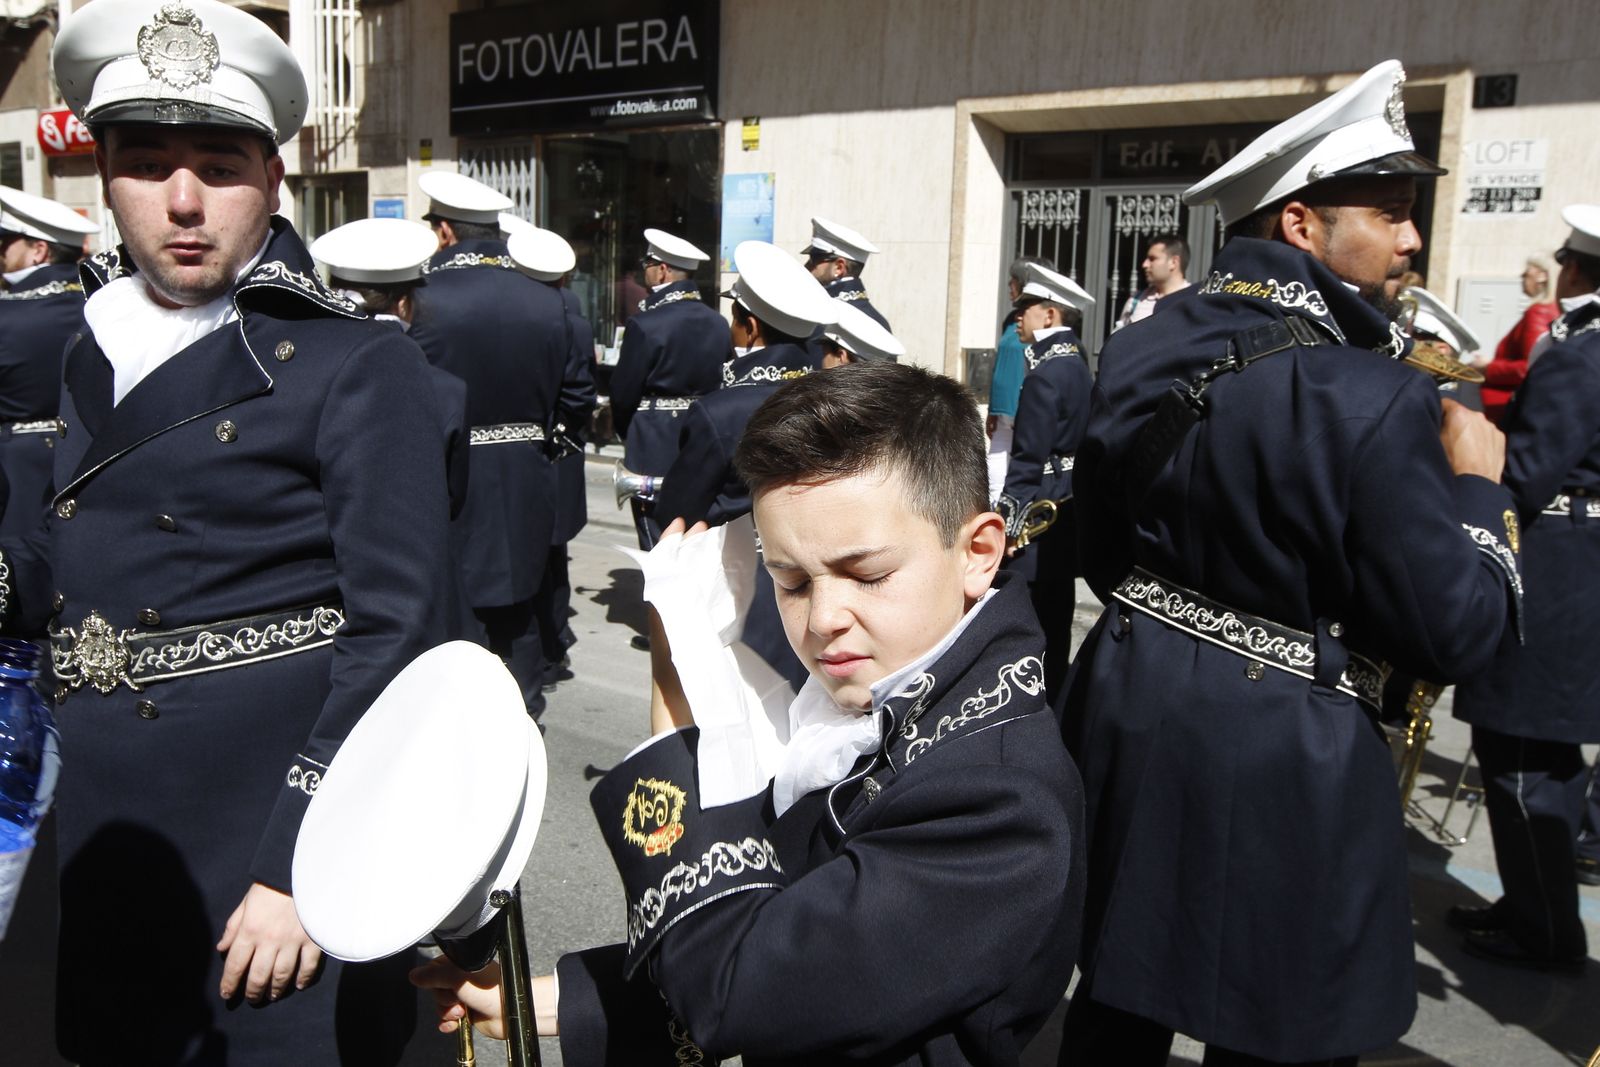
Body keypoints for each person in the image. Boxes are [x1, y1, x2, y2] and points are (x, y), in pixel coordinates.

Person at [413, 360, 1085, 1066]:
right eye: (790, 581)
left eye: (868, 575)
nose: (823, 619)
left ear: (978, 551)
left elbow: (738, 990)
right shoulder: (894, 690)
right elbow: (791, 931)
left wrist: (678, 717)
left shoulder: (998, 797)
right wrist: (553, 1001)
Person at [14, 1, 455, 1061]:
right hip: (108, 834)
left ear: (273, 178)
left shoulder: (354, 362)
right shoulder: (88, 343)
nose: (182, 201)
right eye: (145, 163)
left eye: (219, 167)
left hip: (259, 854)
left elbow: (401, 634)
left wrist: (302, 863)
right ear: (101, 174)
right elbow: (70, 562)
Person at [1060, 60, 1521, 1067]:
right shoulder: (1373, 392)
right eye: (1391, 214)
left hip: (1130, 701)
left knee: (1119, 990)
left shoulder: (1142, 343)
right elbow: (1454, 630)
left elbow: (1099, 553)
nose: (1410, 240)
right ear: (1301, 224)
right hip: (1289, 749)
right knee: (1282, 1029)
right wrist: (1480, 490)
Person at [1447, 204, 1600, 973]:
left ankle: (1545, 928)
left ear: (1574, 269)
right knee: (1537, 755)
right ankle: (1532, 905)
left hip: (1556, 564)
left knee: (1521, 757)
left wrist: (1462, 435)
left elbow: (1531, 472)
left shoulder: (1579, 351)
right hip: (1576, 561)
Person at [412, 170, 568, 718]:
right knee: (520, 603)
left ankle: (465, 718)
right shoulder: (546, 298)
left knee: (456, 606)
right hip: (528, 468)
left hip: (450, 471)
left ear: (446, 232)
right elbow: (562, 394)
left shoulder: (425, 296)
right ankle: (523, 714)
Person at [652, 240, 838, 690]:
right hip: (825, 582)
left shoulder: (721, 410)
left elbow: (677, 512)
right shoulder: (836, 398)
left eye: (735, 320)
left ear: (751, 328)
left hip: (741, 586)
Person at [505, 223, 598, 686]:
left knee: (533, 554)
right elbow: (581, 393)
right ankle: (554, 643)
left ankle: (544, 648)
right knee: (552, 554)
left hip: (540, 449)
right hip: (557, 447)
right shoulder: (571, 315)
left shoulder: (525, 316)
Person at [997, 262, 1094, 703]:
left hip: (1039, 512)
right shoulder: (1077, 365)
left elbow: (1026, 462)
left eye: (1027, 308)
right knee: (1057, 619)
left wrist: (1008, 525)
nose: (1018, 316)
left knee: (1025, 624)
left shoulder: (1044, 376)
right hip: (1067, 504)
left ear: (1050, 315)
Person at [608, 228, 730, 549]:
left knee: (656, 538)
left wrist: (628, 431)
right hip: (704, 435)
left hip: (653, 439)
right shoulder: (718, 323)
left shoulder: (645, 323)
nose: (644, 270)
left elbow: (623, 393)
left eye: (647, 264)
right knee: (696, 535)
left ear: (662, 270)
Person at [0, 187, 97, 554]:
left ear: (38, 250)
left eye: (6, 244)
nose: (1, 252)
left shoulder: (7, 315)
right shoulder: (106, 305)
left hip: (18, 470)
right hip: (92, 458)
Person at [987, 254, 1052, 501]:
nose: (1009, 285)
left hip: (1022, 407)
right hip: (1003, 411)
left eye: (1013, 280)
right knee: (995, 469)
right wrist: (993, 409)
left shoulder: (1038, 318)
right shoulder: (1011, 318)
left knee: (1016, 468)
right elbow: (1002, 363)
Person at [1481, 253, 1560, 423]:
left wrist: (1486, 368)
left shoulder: (1538, 312)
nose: (1521, 277)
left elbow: (1528, 367)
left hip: (1504, 404)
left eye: (1527, 273)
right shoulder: (1552, 310)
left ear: (1542, 276)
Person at [802, 215, 891, 330]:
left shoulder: (827, 316)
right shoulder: (876, 320)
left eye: (813, 260)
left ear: (839, 267)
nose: (806, 267)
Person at [1111, 233, 1190, 331]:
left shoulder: (1194, 301)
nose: (1145, 264)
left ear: (1173, 262)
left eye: (1152, 259)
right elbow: (1119, 337)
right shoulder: (1135, 300)